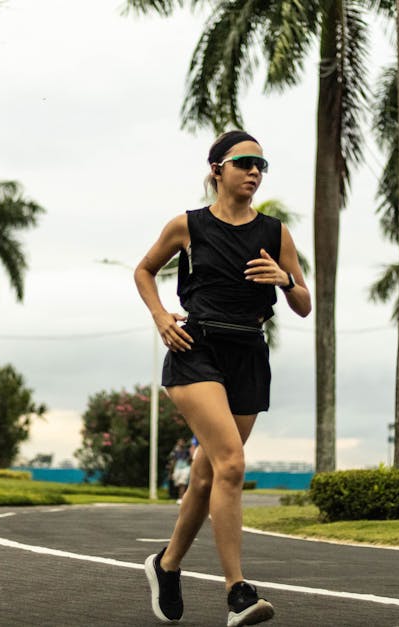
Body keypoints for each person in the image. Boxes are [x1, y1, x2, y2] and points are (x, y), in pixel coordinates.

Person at [134, 130, 312, 626]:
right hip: (197, 350)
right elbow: (144, 271)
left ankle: (167, 566)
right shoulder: (188, 226)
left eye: (261, 165)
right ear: (217, 169)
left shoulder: (275, 233)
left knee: (209, 472)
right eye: (244, 163)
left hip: (249, 353)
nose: (254, 172)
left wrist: (287, 281)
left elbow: (303, 304)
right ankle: (238, 591)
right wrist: (161, 317)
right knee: (232, 462)